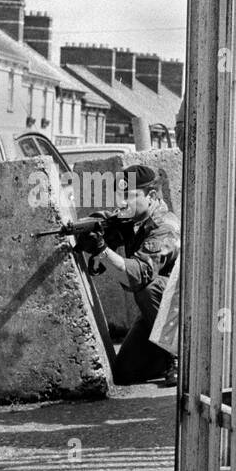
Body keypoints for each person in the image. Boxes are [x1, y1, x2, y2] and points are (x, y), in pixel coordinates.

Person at [75, 165, 181, 385]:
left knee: (148, 289)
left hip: (183, 310)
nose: (122, 202)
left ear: (151, 196)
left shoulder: (165, 226)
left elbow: (139, 275)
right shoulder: (133, 219)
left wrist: (103, 251)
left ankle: (180, 356)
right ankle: (163, 353)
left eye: (129, 196)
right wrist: (86, 230)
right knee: (125, 373)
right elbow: (105, 218)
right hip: (159, 313)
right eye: (119, 196)